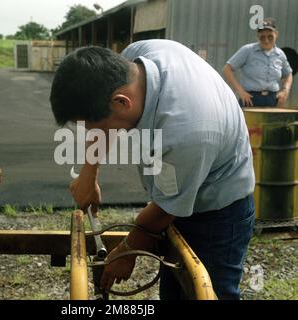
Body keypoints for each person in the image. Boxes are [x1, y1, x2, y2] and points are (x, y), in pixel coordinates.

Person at [50, 40, 255, 300]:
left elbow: (166, 209)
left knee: (208, 290)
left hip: (218, 210)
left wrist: (127, 250)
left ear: (122, 102)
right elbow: (166, 200)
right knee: (175, 287)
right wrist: (88, 175)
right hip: (182, 183)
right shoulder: (137, 58)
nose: (92, 133)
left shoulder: (189, 131)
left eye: (93, 126)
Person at [223, 18, 293, 108]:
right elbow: (227, 69)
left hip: (273, 101)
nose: (266, 40)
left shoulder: (280, 55)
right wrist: (240, 91)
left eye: (270, 36)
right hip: (250, 100)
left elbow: (288, 74)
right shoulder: (248, 50)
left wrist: (285, 90)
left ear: (276, 34)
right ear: (257, 36)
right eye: (262, 37)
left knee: (272, 123)